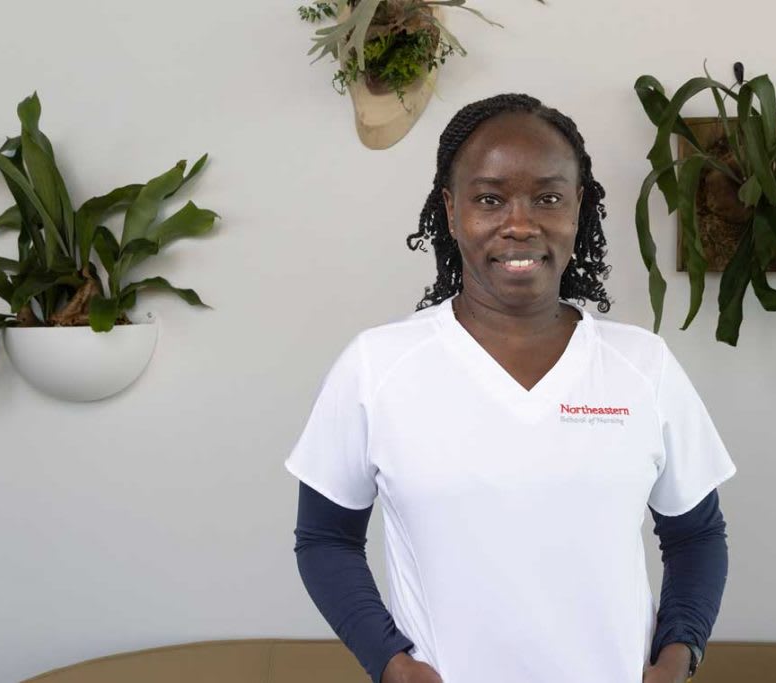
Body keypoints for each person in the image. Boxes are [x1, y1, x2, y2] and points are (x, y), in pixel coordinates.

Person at [286, 93, 737, 683]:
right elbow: (324, 539)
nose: (520, 223)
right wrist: (391, 663)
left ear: (578, 207)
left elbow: (696, 534)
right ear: (451, 212)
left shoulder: (640, 366)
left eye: (548, 198)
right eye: (490, 199)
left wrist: (678, 657)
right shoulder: (377, 366)